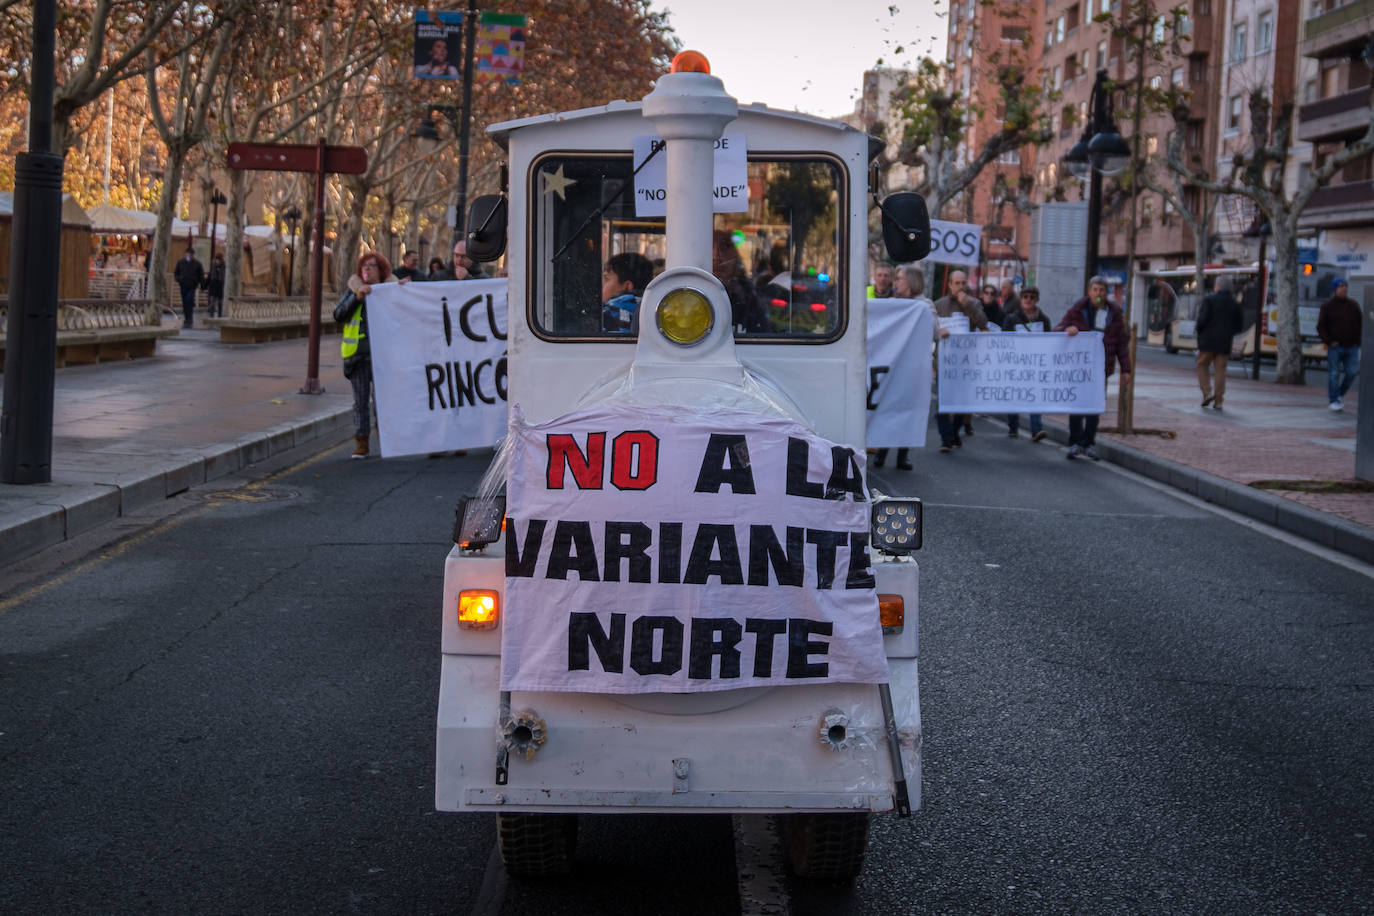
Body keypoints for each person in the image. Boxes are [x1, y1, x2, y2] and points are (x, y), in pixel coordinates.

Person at [1055, 275, 1133, 461]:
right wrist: (1068, 330)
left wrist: (1125, 369)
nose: (1098, 294)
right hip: (1079, 367)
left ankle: (1089, 443)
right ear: (1089, 291)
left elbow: (1121, 343)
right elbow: (1059, 329)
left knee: (1094, 407)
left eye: (1102, 290)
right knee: (1076, 406)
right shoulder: (1077, 310)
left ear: (1107, 293)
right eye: (1095, 290)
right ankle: (1075, 442)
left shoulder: (1114, 313)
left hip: (1101, 369)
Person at [873, 263, 933, 470]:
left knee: (908, 408)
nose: (895, 282)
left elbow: (934, 331)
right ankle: (881, 451)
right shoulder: (893, 303)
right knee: (889, 405)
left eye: (899, 278)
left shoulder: (924, 305)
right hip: (893, 364)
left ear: (911, 282)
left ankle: (902, 456)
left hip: (913, 368)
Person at [334, 252, 393, 459]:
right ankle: (362, 442)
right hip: (358, 356)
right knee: (360, 401)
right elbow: (338, 314)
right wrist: (356, 298)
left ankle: (387, 441)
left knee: (382, 403)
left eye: (372, 266)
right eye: (364, 266)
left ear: (381, 270)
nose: (366, 270)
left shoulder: (389, 292)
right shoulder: (353, 291)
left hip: (382, 357)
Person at [931, 269, 988, 452]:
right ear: (950, 285)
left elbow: (983, 324)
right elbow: (930, 330)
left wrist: (968, 306)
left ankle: (955, 431)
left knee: (963, 402)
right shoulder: (939, 305)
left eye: (963, 283)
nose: (961, 287)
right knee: (944, 401)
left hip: (965, 362)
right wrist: (938, 333)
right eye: (957, 283)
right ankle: (946, 439)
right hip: (944, 361)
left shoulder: (974, 303)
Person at [1002, 287, 1051, 441]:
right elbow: (1003, 340)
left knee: (1035, 395)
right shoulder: (1011, 318)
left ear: (1036, 300)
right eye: (1025, 297)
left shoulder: (1044, 320)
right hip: (1016, 363)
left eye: (1032, 297)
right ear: (1021, 299)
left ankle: (1036, 429)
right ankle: (1013, 427)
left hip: (1036, 363)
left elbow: (1050, 341)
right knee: (1014, 394)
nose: (1028, 300)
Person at [1194, 276, 1242, 410]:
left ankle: (1207, 392)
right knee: (1220, 370)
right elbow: (1239, 325)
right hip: (1224, 342)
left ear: (1217, 286)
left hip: (1207, 341)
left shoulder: (1209, 300)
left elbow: (1202, 320)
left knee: (1202, 365)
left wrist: (1199, 331)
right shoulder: (1234, 304)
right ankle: (1219, 400)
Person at [1317, 278, 1361, 412]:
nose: (1344, 288)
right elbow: (1321, 326)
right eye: (1341, 286)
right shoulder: (1327, 306)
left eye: (1345, 286)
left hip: (1352, 346)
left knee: (1352, 372)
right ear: (1335, 289)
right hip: (1335, 346)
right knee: (1334, 373)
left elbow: (1360, 323)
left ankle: (1340, 394)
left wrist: (1358, 341)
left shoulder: (1353, 305)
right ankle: (1334, 400)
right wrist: (1329, 341)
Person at [712, 229, 766, 333]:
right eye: (708, 247)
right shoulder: (684, 293)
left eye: (725, 247)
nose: (716, 256)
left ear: (736, 257)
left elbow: (761, 333)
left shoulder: (748, 296)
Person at [601, 251, 654, 332]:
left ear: (627, 286)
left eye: (607, 279)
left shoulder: (605, 316)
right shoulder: (653, 312)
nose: (601, 284)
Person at [173, 247, 205, 329]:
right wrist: (179, 279)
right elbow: (176, 273)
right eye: (187, 254)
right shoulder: (181, 262)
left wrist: (201, 285)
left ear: (193, 255)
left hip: (192, 285)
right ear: (185, 254)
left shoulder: (197, 264)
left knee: (189, 301)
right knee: (184, 302)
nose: (189, 256)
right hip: (183, 285)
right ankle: (187, 318)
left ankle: (190, 318)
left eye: (190, 254)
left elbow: (201, 275)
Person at [206, 252, 226, 319]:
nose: (218, 261)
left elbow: (225, 277)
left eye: (219, 259)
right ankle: (211, 316)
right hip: (213, 286)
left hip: (220, 286)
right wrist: (205, 285)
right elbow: (209, 276)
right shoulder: (213, 266)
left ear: (221, 260)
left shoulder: (224, 267)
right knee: (212, 301)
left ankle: (219, 315)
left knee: (220, 302)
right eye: (217, 259)